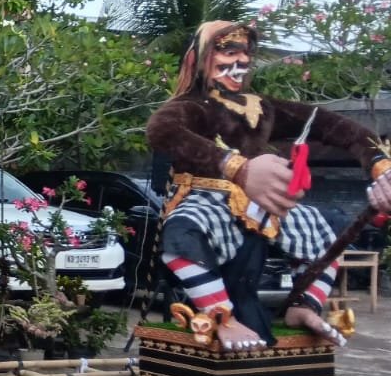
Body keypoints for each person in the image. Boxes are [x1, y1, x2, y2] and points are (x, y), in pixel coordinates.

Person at [145, 21, 391, 349]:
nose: (241, 61)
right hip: (204, 197)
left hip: (258, 204)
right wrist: (238, 168)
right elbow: (162, 131)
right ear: (202, 58)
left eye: (246, 53)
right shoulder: (190, 106)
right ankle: (221, 315)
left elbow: (336, 126)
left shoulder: (262, 108)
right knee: (182, 230)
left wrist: (380, 166)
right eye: (229, 51)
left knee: (320, 233)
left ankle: (303, 306)